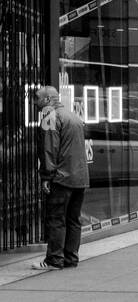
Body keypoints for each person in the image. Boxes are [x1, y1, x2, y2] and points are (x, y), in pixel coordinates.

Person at [31, 86, 89, 271]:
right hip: (79, 178)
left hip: (62, 178)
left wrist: (46, 176)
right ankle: (71, 258)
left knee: (56, 219)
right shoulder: (73, 116)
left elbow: (49, 149)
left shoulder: (50, 116)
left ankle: (54, 260)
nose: (34, 102)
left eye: (37, 98)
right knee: (73, 219)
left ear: (48, 100)